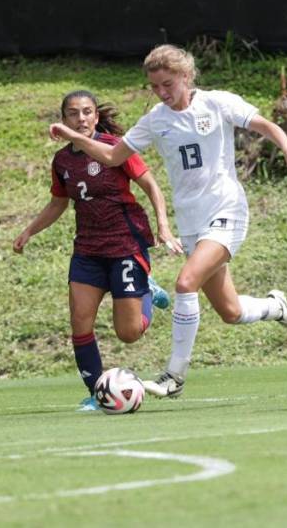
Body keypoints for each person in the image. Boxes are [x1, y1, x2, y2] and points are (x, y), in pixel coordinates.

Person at [48, 45, 287, 398]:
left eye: (167, 84)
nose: (162, 92)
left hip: (226, 210)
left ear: (186, 77)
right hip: (192, 221)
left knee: (186, 284)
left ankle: (174, 377)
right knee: (230, 311)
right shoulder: (157, 119)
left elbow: (264, 124)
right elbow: (112, 156)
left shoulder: (217, 102)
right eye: (155, 86)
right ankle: (275, 306)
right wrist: (76, 137)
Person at [14, 90, 172, 411]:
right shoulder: (62, 161)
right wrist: (29, 230)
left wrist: (163, 226)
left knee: (128, 333)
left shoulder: (116, 147)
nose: (81, 118)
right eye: (73, 113)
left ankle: (145, 289)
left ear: (96, 117)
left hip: (125, 243)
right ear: (64, 119)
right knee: (79, 321)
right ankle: (96, 393)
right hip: (88, 249)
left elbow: (151, 186)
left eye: (87, 112)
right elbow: (59, 202)